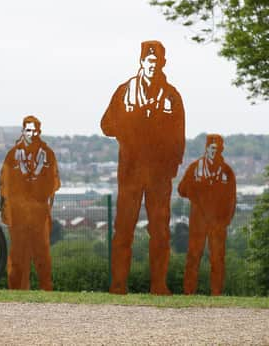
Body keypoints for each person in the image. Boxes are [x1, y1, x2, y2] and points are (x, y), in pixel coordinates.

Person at [101, 40, 185, 295]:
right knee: (123, 230)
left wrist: (171, 167)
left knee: (160, 231)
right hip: (130, 174)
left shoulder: (171, 95)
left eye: (156, 61)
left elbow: (179, 137)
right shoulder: (125, 91)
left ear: (162, 63)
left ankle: (159, 285)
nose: (152, 65)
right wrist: (133, 123)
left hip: (160, 176)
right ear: (141, 62)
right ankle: (118, 285)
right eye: (148, 61)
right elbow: (106, 125)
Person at [0, 115, 60, 290]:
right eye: (28, 130)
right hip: (17, 214)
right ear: (23, 131)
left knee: (42, 255)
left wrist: (44, 206)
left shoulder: (48, 154)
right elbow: (4, 184)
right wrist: (6, 211)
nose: (31, 134)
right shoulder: (12, 155)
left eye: (34, 130)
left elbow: (54, 183)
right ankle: (17, 291)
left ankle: (46, 290)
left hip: (39, 214)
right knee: (18, 256)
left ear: (39, 131)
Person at [178, 134, 236, 296]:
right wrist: (196, 191)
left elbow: (232, 199)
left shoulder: (227, 171)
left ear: (222, 149)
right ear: (206, 148)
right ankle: (189, 293)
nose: (214, 151)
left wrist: (225, 221)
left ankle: (216, 294)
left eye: (218, 148)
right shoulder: (195, 167)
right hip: (198, 222)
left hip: (218, 223)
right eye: (212, 148)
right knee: (193, 257)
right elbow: (182, 190)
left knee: (218, 259)